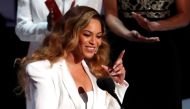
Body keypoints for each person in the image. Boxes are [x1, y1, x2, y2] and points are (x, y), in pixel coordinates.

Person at [17, 6, 129, 109]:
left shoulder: (96, 72)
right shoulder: (42, 70)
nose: (94, 42)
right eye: (87, 34)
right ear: (69, 34)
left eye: (98, 36)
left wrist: (117, 84)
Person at [103, 0, 189, 109]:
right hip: (126, 51)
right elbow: (111, 15)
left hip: (164, 52)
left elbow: (185, 15)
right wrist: (127, 34)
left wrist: (155, 26)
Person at [15, 0, 103, 56]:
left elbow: (95, 30)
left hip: (77, 63)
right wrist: (47, 28)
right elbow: (21, 29)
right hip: (41, 60)